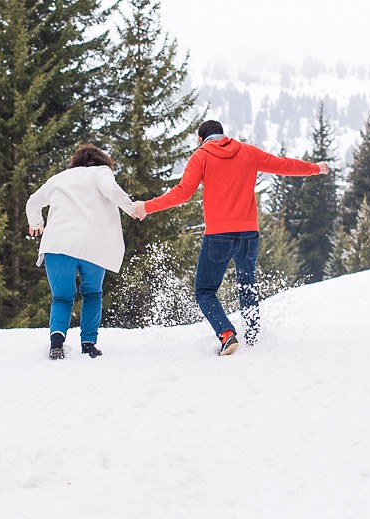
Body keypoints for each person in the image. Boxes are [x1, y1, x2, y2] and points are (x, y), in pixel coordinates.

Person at [133, 120, 329, 355]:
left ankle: (226, 334)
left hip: (218, 235)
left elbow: (183, 193)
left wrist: (147, 207)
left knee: (205, 291)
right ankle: (254, 335)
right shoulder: (247, 151)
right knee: (247, 284)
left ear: (200, 138)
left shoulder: (201, 156)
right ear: (223, 134)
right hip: (249, 233)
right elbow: (283, 165)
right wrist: (315, 168)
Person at [26, 144, 137, 360]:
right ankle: (88, 344)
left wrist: (37, 223)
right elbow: (112, 191)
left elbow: (33, 202)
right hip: (93, 246)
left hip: (57, 245)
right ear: (101, 162)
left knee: (61, 297)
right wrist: (132, 209)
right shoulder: (100, 172)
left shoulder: (58, 178)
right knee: (92, 294)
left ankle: (56, 344)